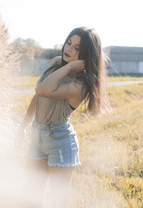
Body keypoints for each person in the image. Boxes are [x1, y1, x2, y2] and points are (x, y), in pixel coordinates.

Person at [17, 27, 111, 208]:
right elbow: (38, 98)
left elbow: (43, 89)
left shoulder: (81, 85)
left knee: (58, 201)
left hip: (60, 141)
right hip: (37, 136)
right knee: (30, 198)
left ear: (86, 56)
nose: (69, 50)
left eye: (78, 48)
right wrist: (23, 126)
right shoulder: (55, 63)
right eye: (69, 43)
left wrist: (68, 67)